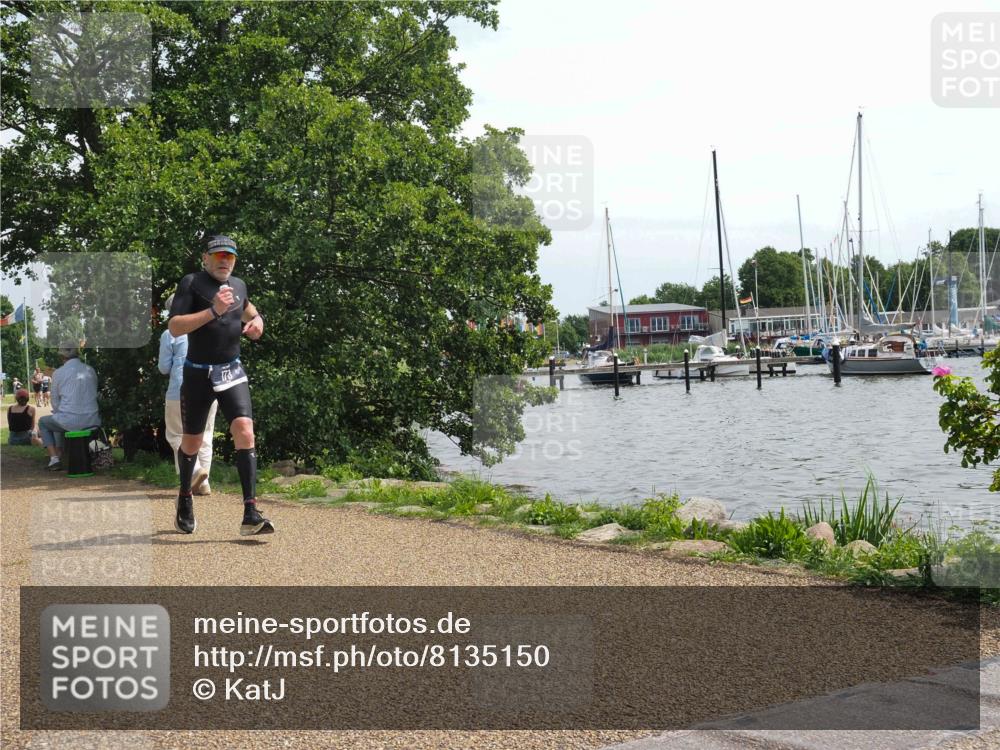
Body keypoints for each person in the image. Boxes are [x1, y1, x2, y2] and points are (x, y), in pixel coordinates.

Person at [167, 234, 273, 536]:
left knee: (245, 430)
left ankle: (251, 513)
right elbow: (174, 327)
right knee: (191, 443)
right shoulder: (191, 283)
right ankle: (185, 497)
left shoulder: (239, 286)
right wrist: (213, 310)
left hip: (231, 371)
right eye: (219, 256)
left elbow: (249, 311)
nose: (225, 261)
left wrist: (258, 324)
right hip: (198, 373)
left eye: (230, 256)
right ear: (206, 258)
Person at [158, 293, 215, 496]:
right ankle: (204, 483)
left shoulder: (170, 334)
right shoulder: (207, 327)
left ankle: (196, 471)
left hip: (179, 388)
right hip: (210, 385)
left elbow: (164, 368)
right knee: (206, 434)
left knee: (176, 434)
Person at [37, 346, 100, 470]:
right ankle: (61, 453)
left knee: (44, 422)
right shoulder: (90, 370)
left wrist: (59, 411)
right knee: (59, 417)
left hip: (70, 421)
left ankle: (54, 458)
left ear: (62, 357)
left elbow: (55, 401)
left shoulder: (58, 373)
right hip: (93, 420)